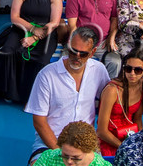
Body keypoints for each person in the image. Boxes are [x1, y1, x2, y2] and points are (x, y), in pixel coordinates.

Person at [25, 26, 109, 157]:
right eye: (73, 51)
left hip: (85, 144)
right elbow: (39, 122)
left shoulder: (99, 70)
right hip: (50, 142)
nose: (77, 56)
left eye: (83, 54)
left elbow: (110, 99)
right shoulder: (46, 75)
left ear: (92, 53)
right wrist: (61, 152)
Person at [97, 49, 143, 158]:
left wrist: (138, 144)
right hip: (109, 139)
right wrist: (125, 147)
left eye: (138, 70)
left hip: (129, 137)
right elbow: (102, 131)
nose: (132, 74)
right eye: (128, 69)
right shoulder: (112, 90)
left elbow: (138, 120)